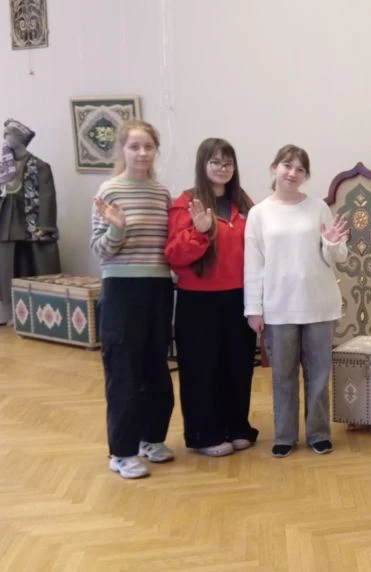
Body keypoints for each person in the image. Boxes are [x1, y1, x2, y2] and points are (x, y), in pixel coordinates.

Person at [244, 144, 350, 458]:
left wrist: (332, 244)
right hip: (278, 307)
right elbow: (254, 265)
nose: (293, 173)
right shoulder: (259, 213)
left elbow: (336, 256)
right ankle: (285, 435)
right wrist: (253, 309)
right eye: (287, 165)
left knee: (318, 374)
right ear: (274, 167)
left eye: (300, 169)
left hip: (318, 303)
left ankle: (318, 433)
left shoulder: (318, 208)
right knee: (283, 375)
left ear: (305, 175)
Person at [90, 119, 175, 479]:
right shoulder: (109, 190)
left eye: (148, 146)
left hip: (159, 288)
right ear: (122, 150)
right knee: (124, 369)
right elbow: (99, 250)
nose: (142, 153)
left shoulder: (161, 193)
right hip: (122, 289)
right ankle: (122, 452)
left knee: (156, 366)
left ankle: (151, 439)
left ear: (156, 151)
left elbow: (168, 246)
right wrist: (117, 228)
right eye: (134, 146)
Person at [165, 137, 258, 457]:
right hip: (199, 301)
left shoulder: (244, 203)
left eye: (228, 162)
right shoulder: (186, 203)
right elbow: (174, 255)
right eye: (215, 161)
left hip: (240, 298)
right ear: (203, 164)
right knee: (202, 369)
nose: (222, 168)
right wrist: (200, 231)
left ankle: (236, 426)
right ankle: (204, 434)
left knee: (238, 365)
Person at [0, 118, 61, 325]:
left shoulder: (40, 166)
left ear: (20, 140)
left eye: (10, 136)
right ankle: (11, 310)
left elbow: (47, 196)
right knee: (8, 263)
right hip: (6, 221)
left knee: (34, 262)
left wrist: (45, 225)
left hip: (29, 219)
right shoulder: (3, 164)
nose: (6, 140)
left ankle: (38, 311)